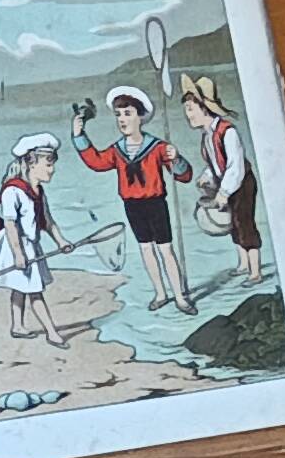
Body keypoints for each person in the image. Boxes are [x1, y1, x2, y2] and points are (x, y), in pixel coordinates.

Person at [69, 83, 195, 312]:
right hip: (132, 205)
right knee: (146, 249)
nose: (122, 120)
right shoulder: (117, 150)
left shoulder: (157, 147)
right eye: (118, 115)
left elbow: (184, 176)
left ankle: (180, 297)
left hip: (156, 204)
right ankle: (160, 293)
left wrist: (176, 158)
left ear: (140, 117)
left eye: (128, 114)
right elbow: (97, 162)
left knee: (166, 250)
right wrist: (79, 136)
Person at [0, 131, 68, 345]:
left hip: (30, 245)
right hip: (14, 245)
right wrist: (18, 254)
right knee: (35, 290)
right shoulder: (12, 191)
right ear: (31, 163)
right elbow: (10, 225)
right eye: (48, 164)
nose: (52, 169)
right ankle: (52, 332)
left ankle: (17, 326)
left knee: (21, 286)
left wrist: (61, 241)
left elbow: (47, 221)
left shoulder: (38, 191)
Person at [180, 72, 262, 291]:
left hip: (241, 184)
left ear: (204, 108)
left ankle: (255, 271)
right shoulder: (207, 134)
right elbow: (216, 163)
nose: (188, 115)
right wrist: (207, 177)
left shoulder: (228, 132)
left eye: (191, 109)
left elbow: (235, 166)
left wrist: (224, 192)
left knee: (244, 223)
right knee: (233, 224)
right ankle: (243, 264)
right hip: (227, 183)